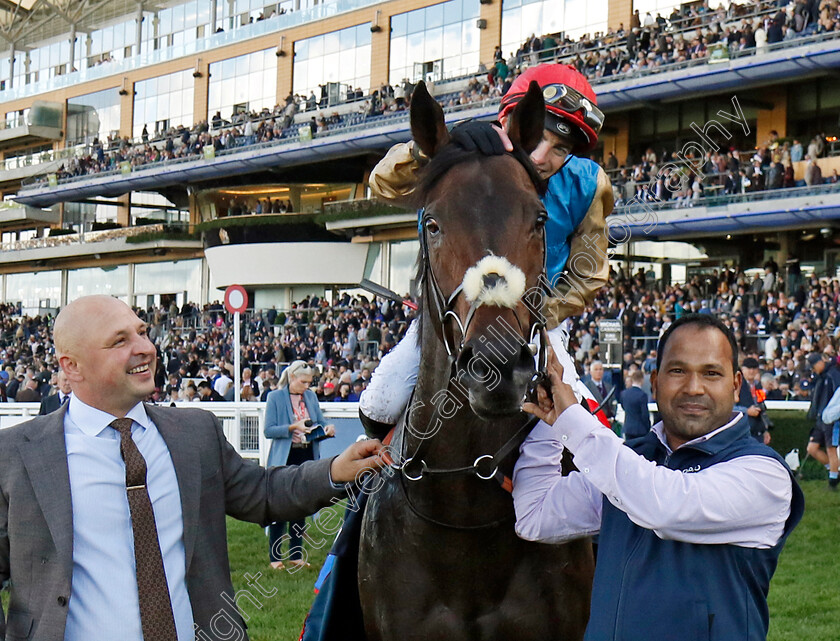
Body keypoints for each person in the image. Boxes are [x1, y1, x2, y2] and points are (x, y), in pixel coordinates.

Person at [0, 295, 384, 641]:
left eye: (143, 332)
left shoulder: (194, 433)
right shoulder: (17, 454)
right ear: (72, 366)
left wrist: (335, 470)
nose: (145, 349)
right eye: (120, 341)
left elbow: (263, 493)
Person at [514, 314, 803, 641]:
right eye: (678, 371)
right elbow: (535, 515)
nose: (694, 387)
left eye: (711, 373)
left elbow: (666, 508)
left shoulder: (764, 473)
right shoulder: (630, 460)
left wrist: (574, 422)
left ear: (736, 384)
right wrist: (549, 409)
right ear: (655, 380)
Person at [361, 63, 613, 432]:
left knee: (583, 422)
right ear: (512, 122)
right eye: (538, 138)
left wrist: (537, 314)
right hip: (452, 319)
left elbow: (589, 272)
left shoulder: (588, 183)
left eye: (560, 149)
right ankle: (375, 480)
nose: (542, 157)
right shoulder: (460, 158)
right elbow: (383, 184)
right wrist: (430, 151)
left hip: (536, 321)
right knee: (379, 401)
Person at [264, 360, 336, 570]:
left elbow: (318, 425)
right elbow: (269, 430)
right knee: (280, 507)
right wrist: (291, 427)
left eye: (309, 382)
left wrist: (326, 431)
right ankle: (275, 558)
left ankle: (296, 555)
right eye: (303, 382)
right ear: (292, 378)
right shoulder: (275, 397)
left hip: (306, 456)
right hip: (284, 459)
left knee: (300, 506)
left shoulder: (311, 397)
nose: (307, 386)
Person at [807, 350, 840, 489]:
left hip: (831, 419)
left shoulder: (833, 374)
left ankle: (832, 482)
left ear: (820, 362)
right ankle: (835, 471)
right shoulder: (821, 377)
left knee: (831, 449)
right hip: (820, 420)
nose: (813, 370)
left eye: (814, 367)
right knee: (812, 449)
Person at [736, 356, 771, 444]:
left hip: (757, 432)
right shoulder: (736, 386)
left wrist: (765, 430)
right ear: (743, 369)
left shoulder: (758, 386)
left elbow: (761, 406)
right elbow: (729, 408)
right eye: (748, 368)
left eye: (754, 368)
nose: (751, 371)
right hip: (741, 432)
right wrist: (747, 411)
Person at [619, 368, 650, 438]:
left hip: (628, 428)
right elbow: (644, 414)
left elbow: (623, 406)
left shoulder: (624, 393)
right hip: (640, 430)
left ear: (632, 380)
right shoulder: (642, 395)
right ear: (642, 380)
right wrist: (648, 427)